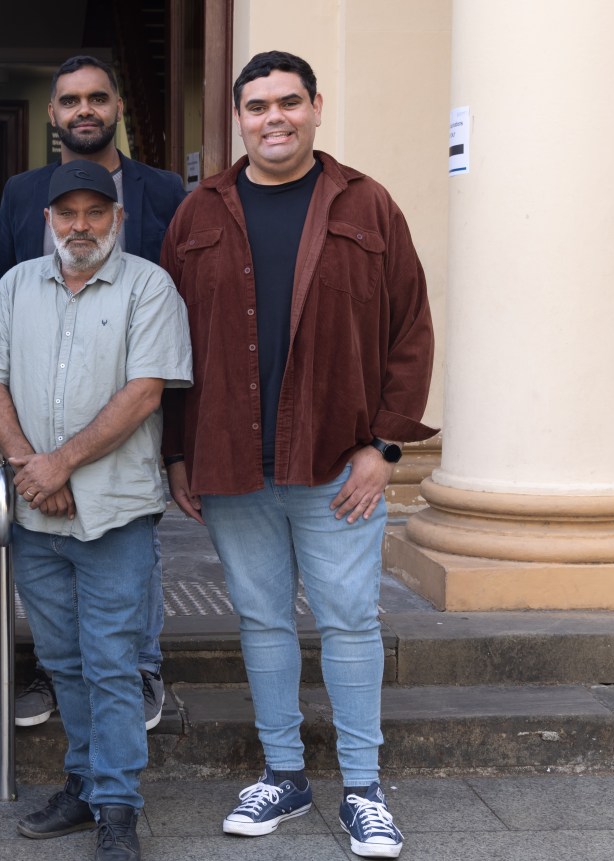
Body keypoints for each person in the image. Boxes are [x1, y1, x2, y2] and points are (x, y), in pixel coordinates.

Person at [161, 51, 435, 859]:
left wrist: (386, 445)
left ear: (317, 107)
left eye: (288, 102)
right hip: (233, 459)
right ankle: (283, 770)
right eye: (257, 106)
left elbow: (410, 331)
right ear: (237, 118)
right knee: (261, 619)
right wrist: (179, 451)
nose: (273, 118)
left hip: (338, 461)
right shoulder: (198, 214)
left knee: (351, 620)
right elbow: (169, 343)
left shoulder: (368, 205)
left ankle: (363, 786)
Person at [0, 161, 192, 861]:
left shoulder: (149, 287)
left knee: (113, 663)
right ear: (47, 220)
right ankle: (86, 782)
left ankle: (118, 804)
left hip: (115, 514)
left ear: (118, 219)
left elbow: (144, 392)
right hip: (38, 515)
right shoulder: (15, 288)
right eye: (68, 213)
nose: (81, 226)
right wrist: (30, 467)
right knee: (65, 661)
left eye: (96, 212)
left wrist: (59, 463)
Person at [0, 54, 187, 732]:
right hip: (41, 412)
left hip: (134, 404)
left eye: (97, 97)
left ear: (117, 107)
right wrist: (31, 458)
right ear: (52, 113)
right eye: (70, 99)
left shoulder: (163, 191)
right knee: (47, 557)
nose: (84, 109)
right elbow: (8, 302)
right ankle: (55, 674)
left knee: (132, 544)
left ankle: (141, 671)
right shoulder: (21, 192)